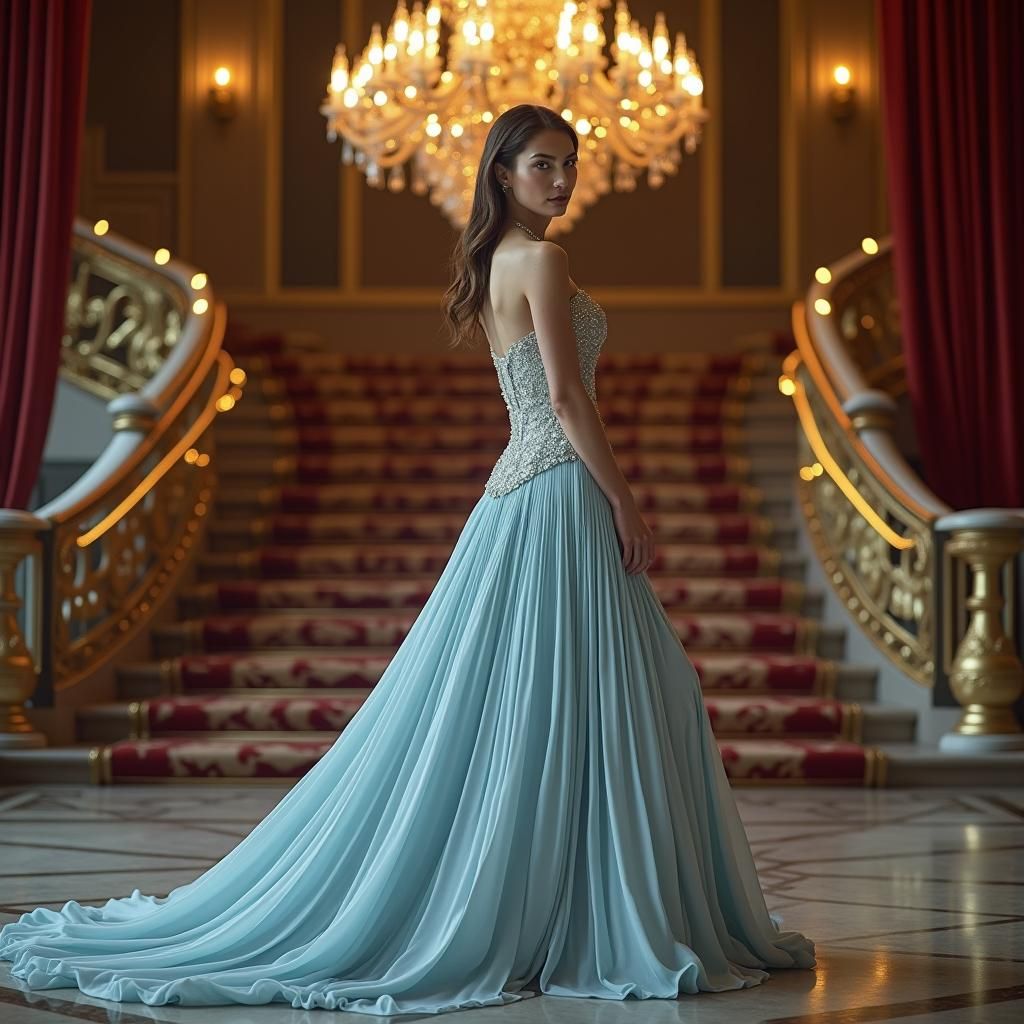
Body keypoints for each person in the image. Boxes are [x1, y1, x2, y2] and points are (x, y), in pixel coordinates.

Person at [0, 103, 815, 1014]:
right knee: (583, 692)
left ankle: (567, 905)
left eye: (570, 163)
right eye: (543, 164)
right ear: (502, 172)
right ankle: (588, 910)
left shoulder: (509, 259)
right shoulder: (542, 259)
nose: (563, 179)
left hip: (526, 491)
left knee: (587, 690)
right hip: (555, 490)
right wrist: (624, 495)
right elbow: (564, 398)